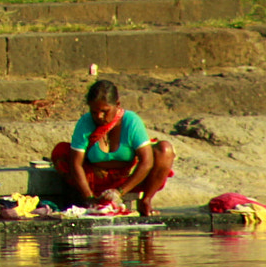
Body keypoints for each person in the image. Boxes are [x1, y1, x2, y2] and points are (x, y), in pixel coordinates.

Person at [52, 80, 176, 217]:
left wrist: (119, 192)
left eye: (105, 111)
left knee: (165, 150)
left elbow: (146, 161)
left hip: (126, 180)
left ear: (117, 105)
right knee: (61, 151)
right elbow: (76, 164)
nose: (99, 116)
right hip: (94, 180)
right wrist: (89, 198)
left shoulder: (131, 121)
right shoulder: (85, 122)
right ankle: (83, 199)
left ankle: (146, 201)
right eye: (94, 112)